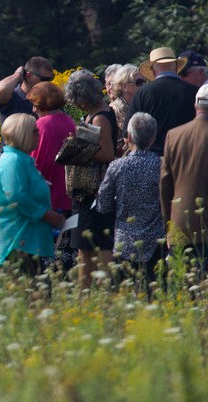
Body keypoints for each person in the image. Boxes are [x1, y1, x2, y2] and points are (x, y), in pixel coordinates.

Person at [160, 82, 208, 289]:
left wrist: (168, 226)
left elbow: (165, 184)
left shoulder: (174, 135)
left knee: (183, 291)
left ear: (196, 106)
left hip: (179, 227)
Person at [0, 113, 65, 274]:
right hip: (18, 241)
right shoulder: (13, 162)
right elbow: (16, 197)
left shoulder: (22, 160)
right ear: (23, 134)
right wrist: (46, 215)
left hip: (29, 240)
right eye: (35, 131)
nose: (39, 134)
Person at [97, 112, 164, 288]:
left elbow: (103, 203)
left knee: (121, 293)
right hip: (155, 240)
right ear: (153, 138)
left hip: (123, 239)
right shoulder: (161, 165)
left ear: (128, 137)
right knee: (153, 292)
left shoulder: (117, 166)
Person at [64, 69, 117, 286]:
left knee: (97, 246)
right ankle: (86, 293)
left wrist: (78, 149)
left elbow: (108, 153)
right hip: (86, 191)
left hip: (94, 190)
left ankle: (102, 293)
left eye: (78, 101)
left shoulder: (101, 117)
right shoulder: (94, 114)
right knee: (83, 247)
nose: (77, 105)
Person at [27, 81, 76, 270]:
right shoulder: (68, 121)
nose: (33, 109)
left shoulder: (42, 125)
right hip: (67, 193)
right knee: (64, 255)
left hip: (49, 196)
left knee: (45, 258)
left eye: (35, 105)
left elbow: (39, 163)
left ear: (42, 105)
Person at [124, 47, 198, 156]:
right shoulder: (194, 91)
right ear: (177, 66)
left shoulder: (142, 93)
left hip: (153, 161)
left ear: (152, 70)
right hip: (187, 158)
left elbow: (127, 137)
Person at [0, 56, 54, 133]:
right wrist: (18, 73)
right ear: (28, 76)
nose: (47, 83)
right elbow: (1, 90)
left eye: (50, 79)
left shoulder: (50, 100)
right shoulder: (13, 97)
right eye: (44, 79)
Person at [110, 64, 146, 151]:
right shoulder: (117, 108)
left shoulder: (137, 104)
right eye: (139, 82)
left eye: (144, 81)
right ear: (125, 87)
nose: (144, 85)